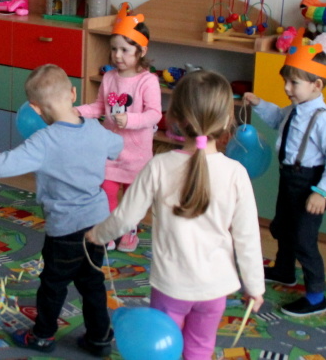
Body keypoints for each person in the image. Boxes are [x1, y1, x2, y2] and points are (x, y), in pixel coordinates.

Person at [0, 64, 123, 357]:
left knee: (53, 284)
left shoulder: (44, 141)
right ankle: (100, 338)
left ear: (35, 109)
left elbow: (4, 163)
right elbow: (117, 145)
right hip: (98, 224)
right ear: (73, 93)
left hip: (65, 229)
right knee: (92, 282)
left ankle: (42, 336)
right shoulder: (94, 129)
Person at [87, 70, 265, 360]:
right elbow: (247, 237)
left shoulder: (159, 165)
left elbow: (126, 217)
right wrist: (255, 286)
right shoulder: (236, 173)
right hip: (215, 289)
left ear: (176, 119)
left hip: (171, 285)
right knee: (199, 349)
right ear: (226, 121)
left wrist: (98, 234)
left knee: (162, 348)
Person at [244, 31, 326, 317]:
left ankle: (316, 297)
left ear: (316, 85)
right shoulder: (294, 109)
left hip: (309, 185)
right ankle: (284, 270)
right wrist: (259, 104)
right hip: (288, 179)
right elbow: (277, 119)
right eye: (285, 81)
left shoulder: (324, 121)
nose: (287, 88)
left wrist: (321, 192)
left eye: (294, 83)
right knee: (283, 227)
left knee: (304, 240)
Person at [76, 2, 161, 252]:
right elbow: (99, 107)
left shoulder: (148, 81)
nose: (117, 55)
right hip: (111, 153)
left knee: (132, 201)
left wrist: (130, 120)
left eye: (125, 50)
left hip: (137, 156)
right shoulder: (109, 77)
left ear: (141, 51)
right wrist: (77, 112)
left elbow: (155, 114)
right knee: (107, 192)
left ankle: (129, 233)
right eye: (114, 49)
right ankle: (110, 231)